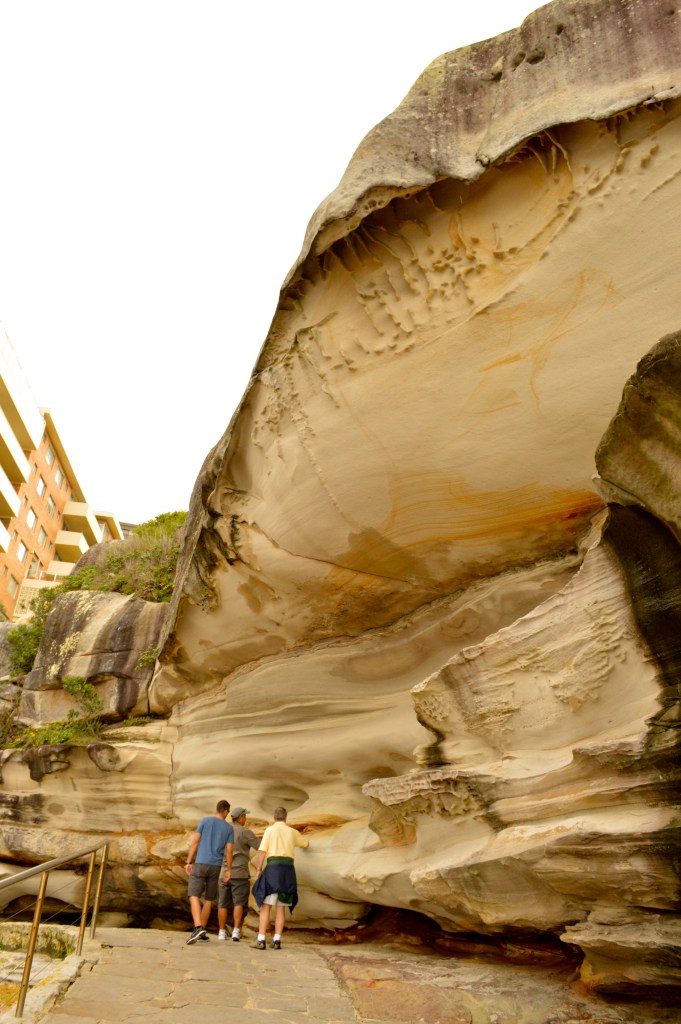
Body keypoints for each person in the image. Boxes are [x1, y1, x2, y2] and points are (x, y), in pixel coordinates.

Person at [252, 805, 309, 949]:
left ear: (274, 817)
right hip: (288, 871)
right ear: (286, 817)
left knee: (266, 906)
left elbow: (262, 852)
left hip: (273, 870)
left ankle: (261, 939)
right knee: (280, 908)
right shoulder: (292, 832)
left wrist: (258, 870)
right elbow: (306, 844)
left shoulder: (270, 830)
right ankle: (277, 940)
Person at [185, 799, 233, 944]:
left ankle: (198, 927)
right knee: (209, 899)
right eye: (228, 812)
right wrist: (229, 870)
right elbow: (229, 851)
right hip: (216, 866)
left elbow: (195, 842)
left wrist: (189, 861)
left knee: (193, 895)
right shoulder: (228, 828)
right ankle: (202, 930)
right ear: (225, 811)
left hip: (201, 863)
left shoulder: (205, 821)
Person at [217, 806, 260, 941]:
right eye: (245, 816)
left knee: (222, 903)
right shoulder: (245, 832)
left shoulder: (223, 831)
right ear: (240, 818)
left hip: (224, 873)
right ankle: (236, 931)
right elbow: (260, 846)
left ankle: (221, 932)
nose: (245, 819)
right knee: (238, 903)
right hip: (239, 873)